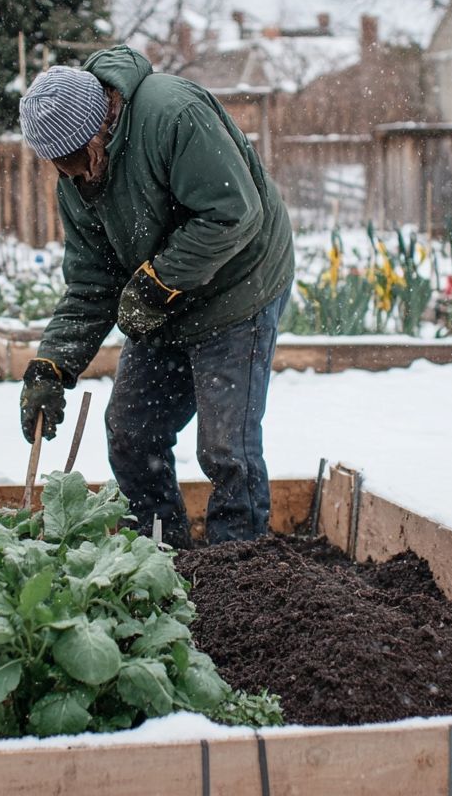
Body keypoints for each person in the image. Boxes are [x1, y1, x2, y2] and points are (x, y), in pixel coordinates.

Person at [16, 45, 293, 547]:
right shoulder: (76, 179)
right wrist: (52, 364)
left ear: (100, 122)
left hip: (239, 286)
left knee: (226, 448)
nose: (72, 174)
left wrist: (158, 280)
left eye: (76, 159)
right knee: (131, 433)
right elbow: (91, 280)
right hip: (164, 300)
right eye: (57, 165)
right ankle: (162, 554)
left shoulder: (173, 115)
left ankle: (240, 573)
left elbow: (233, 212)